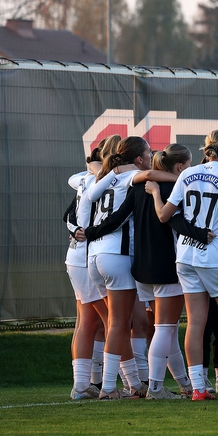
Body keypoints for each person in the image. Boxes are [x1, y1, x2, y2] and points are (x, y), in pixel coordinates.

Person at [147, 129, 218, 401]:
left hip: (186, 257)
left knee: (195, 322)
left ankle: (198, 388)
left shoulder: (186, 174)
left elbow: (164, 215)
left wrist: (154, 193)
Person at [89, 143, 208, 399]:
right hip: (165, 267)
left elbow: (117, 217)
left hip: (141, 269)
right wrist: (202, 235)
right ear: (179, 167)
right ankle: (154, 387)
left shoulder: (139, 187)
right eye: (188, 167)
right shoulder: (175, 188)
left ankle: (184, 384)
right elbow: (176, 221)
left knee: (168, 329)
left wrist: (88, 233)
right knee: (165, 328)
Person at [85, 136, 153, 399]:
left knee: (117, 324)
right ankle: (109, 388)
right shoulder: (130, 176)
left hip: (95, 255)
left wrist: (114, 169)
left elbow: (92, 191)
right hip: (117, 254)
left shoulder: (105, 175)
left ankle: (133, 383)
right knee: (118, 324)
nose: (150, 157)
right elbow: (151, 173)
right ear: (137, 158)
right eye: (148, 153)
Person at [64, 146, 109, 400]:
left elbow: (68, 216)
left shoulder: (85, 178)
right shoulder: (95, 179)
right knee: (105, 321)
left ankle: (89, 382)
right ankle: (130, 381)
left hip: (79, 256)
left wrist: (76, 227)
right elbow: (69, 217)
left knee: (91, 322)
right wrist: (79, 228)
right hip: (84, 256)